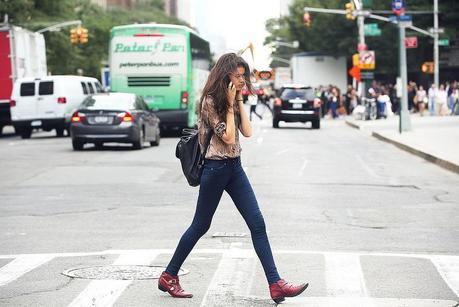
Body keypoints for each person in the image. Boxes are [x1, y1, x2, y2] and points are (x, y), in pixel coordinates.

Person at [158, 53, 308, 304]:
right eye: (238, 76)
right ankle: (169, 275)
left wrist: (238, 100)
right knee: (200, 225)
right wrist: (229, 104)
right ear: (225, 75)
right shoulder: (209, 102)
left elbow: (246, 132)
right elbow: (227, 137)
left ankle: (276, 284)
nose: (242, 80)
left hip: (235, 168)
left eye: (243, 76)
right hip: (215, 170)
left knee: (257, 223)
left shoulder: (234, 98)